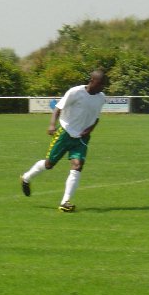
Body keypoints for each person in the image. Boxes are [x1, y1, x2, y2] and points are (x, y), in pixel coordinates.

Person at [20, 70, 107, 212]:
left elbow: (96, 117)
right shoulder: (75, 92)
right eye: (100, 84)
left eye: (103, 85)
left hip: (82, 138)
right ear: (91, 80)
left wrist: (90, 129)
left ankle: (65, 202)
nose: (102, 87)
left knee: (77, 165)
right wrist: (52, 125)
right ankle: (26, 178)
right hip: (65, 132)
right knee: (49, 164)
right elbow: (58, 108)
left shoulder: (101, 98)